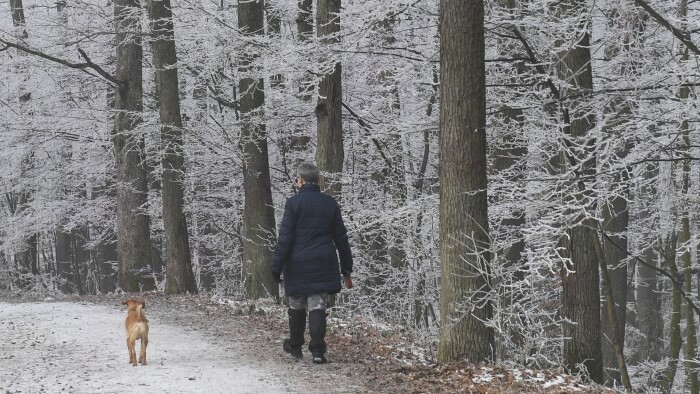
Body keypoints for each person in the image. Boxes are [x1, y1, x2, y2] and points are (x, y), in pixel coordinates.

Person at [270, 162, 354, 364]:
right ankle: (317, 351)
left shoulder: (293, 204)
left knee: (297, 304)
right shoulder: (330, 203)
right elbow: (341, 239)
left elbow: (285, 239)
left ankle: (296, 346)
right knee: (317, 304)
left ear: (300, 180)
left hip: (297, 263)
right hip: (323, 262)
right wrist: (346, 268)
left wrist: (276, 266)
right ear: (317, 181)